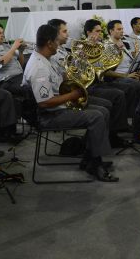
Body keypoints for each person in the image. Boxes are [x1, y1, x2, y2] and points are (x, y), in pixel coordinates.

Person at [22, 24, 118, 182]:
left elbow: (63, 77)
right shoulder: (38, 67)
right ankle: (95, 163)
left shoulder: (46, 58)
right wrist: (74, 94)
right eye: (57, 41)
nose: (59, 44)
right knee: (96, 116)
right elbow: (45, 103)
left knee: (104, 111)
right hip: (49, 115)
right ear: (49, 43)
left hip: (59, 107)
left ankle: (90, 158)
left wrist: (79, 63)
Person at [48, 18, 131, 147]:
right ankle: (107, 137)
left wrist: (116, 53)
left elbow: (104, 68)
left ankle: (111, 134)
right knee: (114, 98)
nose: (100, 34)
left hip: (92, 83)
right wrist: (84, 60)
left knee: (118, 95)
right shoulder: (76, 48)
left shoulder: (65, 49)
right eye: (97, 31)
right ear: (89, 33)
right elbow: (76, 74)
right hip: (85, 87)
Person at [0, 23, 28, 98]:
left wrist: (21, 51)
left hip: (19, 76)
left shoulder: (6, 46)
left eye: (3, 32)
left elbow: (21, 64)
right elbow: (0, 63)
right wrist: (13, 48)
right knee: (29, 88)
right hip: (6, 81)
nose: (3, 35)